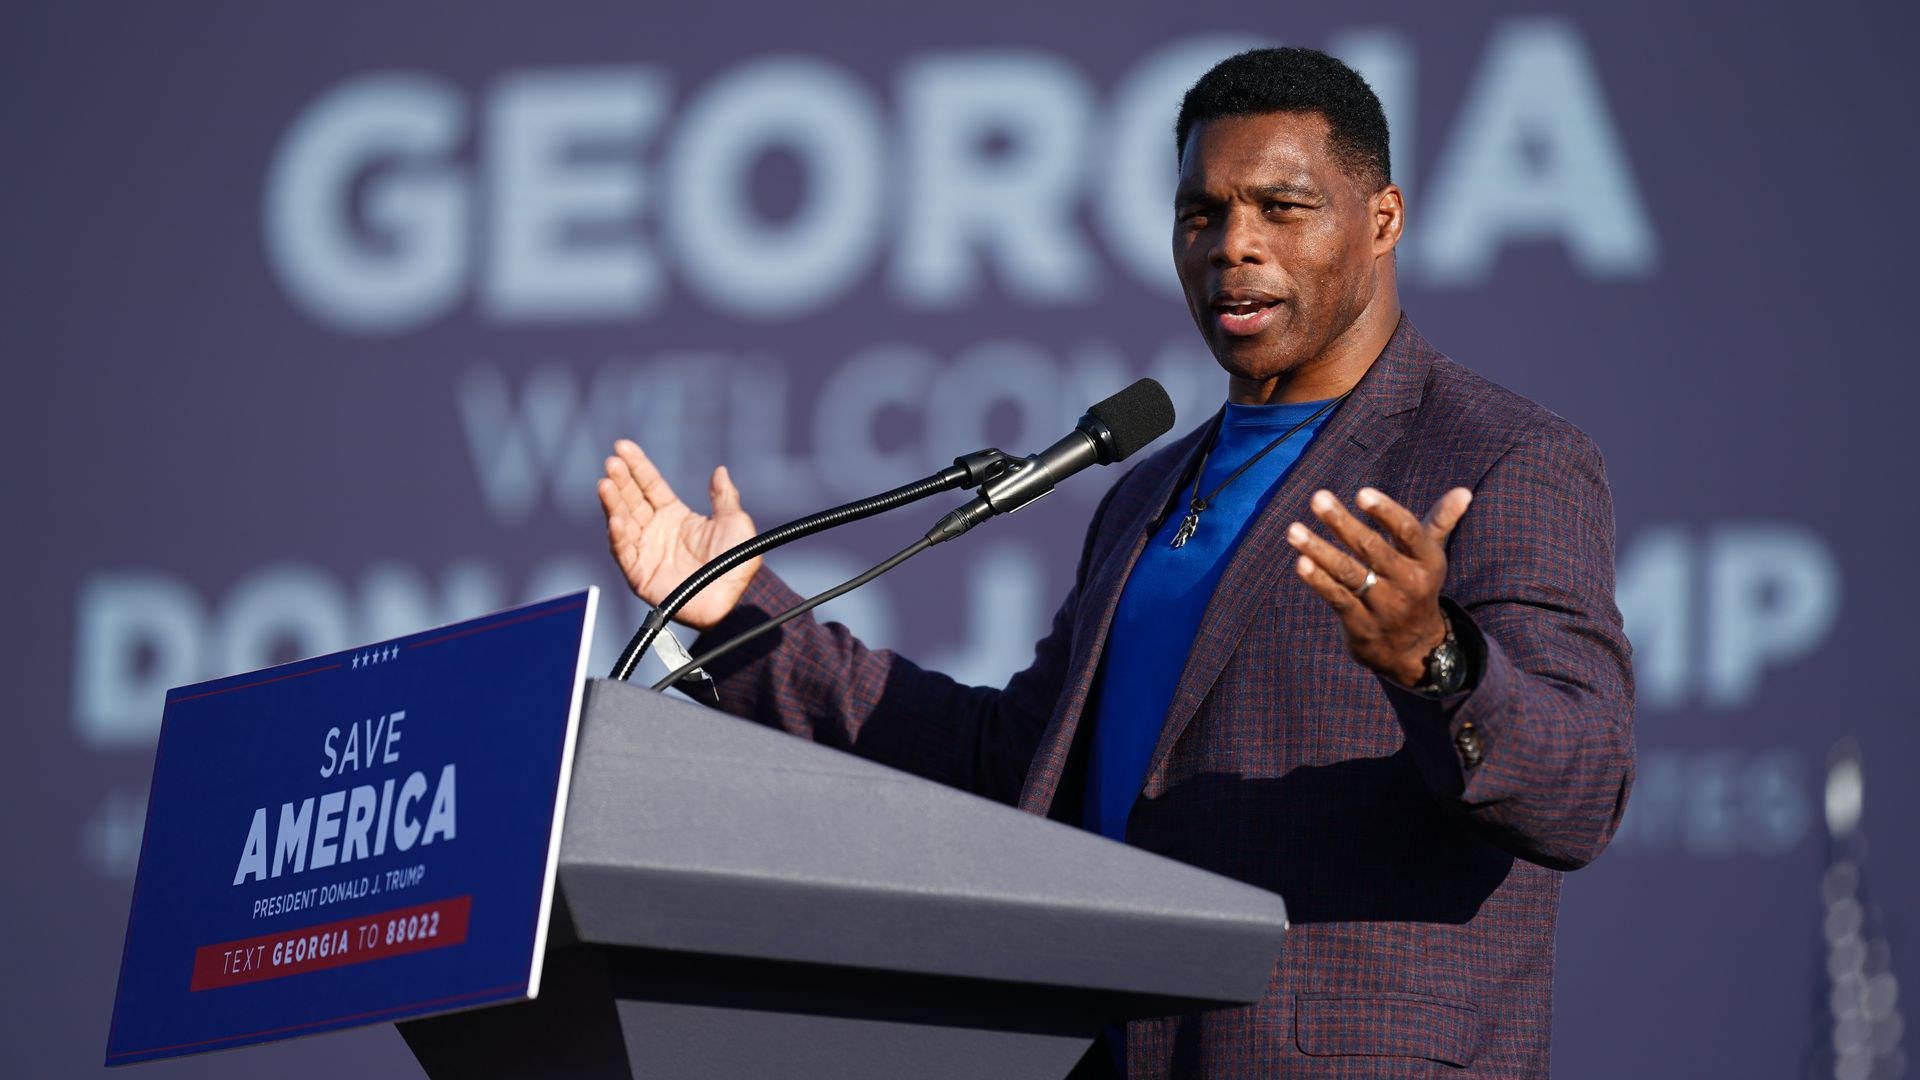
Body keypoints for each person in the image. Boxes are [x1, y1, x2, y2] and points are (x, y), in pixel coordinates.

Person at [597, 47, 1633, 1079]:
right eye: (1201, 215)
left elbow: (1578, 789)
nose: (1234, 245)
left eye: (1282, 209)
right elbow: (1012, 764)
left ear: (1383, 220)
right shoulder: (1147, 491)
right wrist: (738, 609)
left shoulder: (1501, 455)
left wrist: (1435, 659)